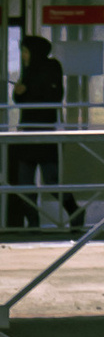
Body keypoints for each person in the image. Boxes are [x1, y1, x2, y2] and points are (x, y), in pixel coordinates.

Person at [7, 21, 67, 234]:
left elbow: (53, 96)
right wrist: (20, 93)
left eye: (25, 51)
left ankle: (75, 213)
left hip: (44, 131)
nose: (23, 55)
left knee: (52, 181)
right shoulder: (28, 70)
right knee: (25, 183)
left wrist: (27, 92)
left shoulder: (51, 67)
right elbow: (22, 98)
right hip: (28, 131)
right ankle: (33, 224)